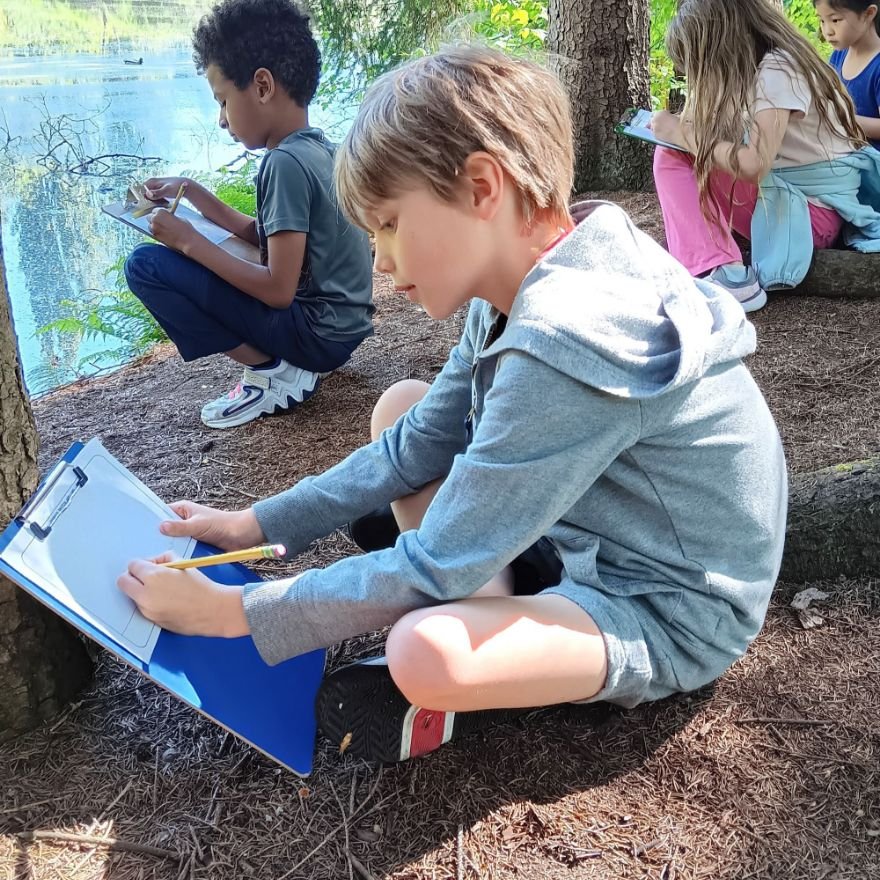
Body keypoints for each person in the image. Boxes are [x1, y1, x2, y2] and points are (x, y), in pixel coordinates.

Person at [118, 46, 788, 765]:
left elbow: (434, 565)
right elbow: (415, 446)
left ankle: (480, 658)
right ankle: (499, 601)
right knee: (401, 409)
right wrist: (254, 522)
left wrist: (233, 614)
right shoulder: (526, 276)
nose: (379, 260)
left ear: (480, 187)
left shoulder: (570, 337)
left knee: (425, 651)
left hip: (665, 605)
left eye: (390, 225)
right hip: (585, 529)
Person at [123, 0, 374, 429]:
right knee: (196, 256)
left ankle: (273, 372)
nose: (221, 120)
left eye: (222, 101)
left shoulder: (283, 164)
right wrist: (193, 192)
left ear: (261, 86)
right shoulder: (319, 151)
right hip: (341, 333)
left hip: (316, 337)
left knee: (145, 266)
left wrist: (186, 240)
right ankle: (286, 364)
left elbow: (278, 290)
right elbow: (266, 237)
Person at [651, 0, 880, 313]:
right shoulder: (769, 63)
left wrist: (681, 134)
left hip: (811, 216)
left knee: (672, 154)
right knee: (683, 149)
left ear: (723, 44)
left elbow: (754, 164)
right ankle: (712, 260)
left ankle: (724, 274)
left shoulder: (777, 70)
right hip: (802, 206)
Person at [816, 0, 880, 149]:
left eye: (835, 20)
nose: (827, 31)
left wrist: (843, 119)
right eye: (822, 20)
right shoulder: (838, 56)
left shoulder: (876, 66)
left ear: (868, 14)